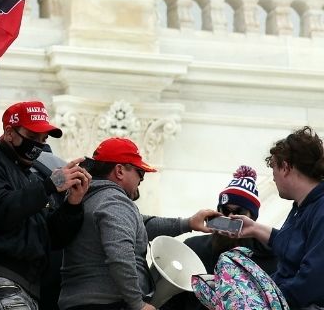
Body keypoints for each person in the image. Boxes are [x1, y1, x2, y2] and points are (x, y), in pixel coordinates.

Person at [0, 101, 91, 310]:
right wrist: (50, 185)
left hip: (28, 287)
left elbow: (52, 238)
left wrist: (72, 203)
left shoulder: (31, 178)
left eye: (43, 139)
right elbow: (0, 210)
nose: (38, 144)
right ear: (9, 133)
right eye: (32, 136)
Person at [58, 137, 219, 310]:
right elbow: (120, 255)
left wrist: (188, 223)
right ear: (119, 171)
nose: (141, 180)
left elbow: (141, 225)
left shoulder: (90, 198)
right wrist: (138, 304)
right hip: (108, 304)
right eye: (139, 173)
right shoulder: (114, 201)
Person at [160, 166, 276, 310]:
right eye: (225, 210)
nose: (230, 217)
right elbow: (173, 299)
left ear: (252, 218)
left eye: (239, 212)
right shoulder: (193, 247)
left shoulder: (268, 254)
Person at [232, 127, 324, 308]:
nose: (273, 178)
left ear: (286, 167)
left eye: (273, 169)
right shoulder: (302, 206)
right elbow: (294, 247)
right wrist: (254, 229)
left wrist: (263, 302)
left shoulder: (320, 209)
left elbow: (313, 279)